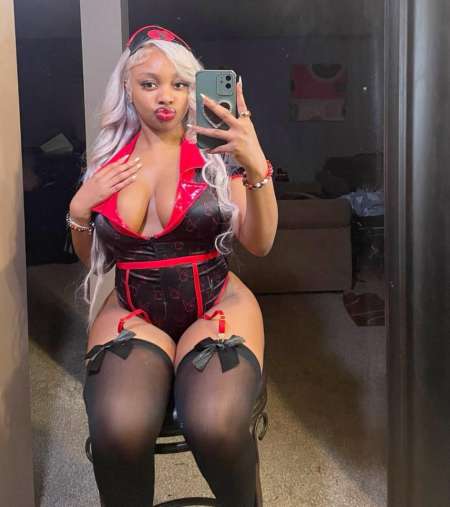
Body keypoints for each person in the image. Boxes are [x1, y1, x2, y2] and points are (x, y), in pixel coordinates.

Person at [67, 24, 278, 507]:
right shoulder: (108, 163)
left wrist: (255, 163)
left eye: (180, 84)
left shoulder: (218, 155)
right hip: (132, 309)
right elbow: (94, 258)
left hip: (217, 303)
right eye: (149, 83)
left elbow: (261, 243)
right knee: (117, 432)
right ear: (127, 87)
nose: (166, 97)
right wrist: (79, 209)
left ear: (193, 90)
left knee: (216, 425)